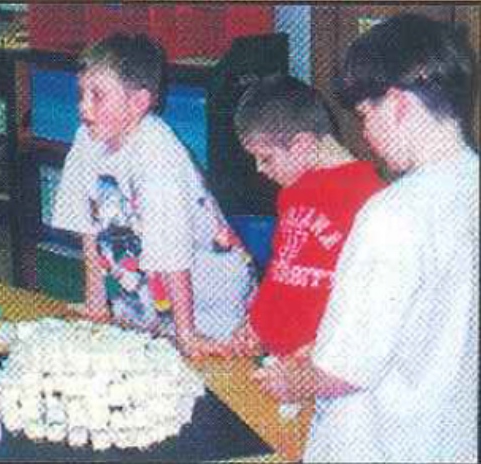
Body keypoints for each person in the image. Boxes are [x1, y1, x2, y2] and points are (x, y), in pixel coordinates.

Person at [253, 14, 478, 462]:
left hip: (379, 443)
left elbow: (345, 369)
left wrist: (291, 378)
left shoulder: (392, 215)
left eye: (364, 114)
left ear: (396, 103)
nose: (365, 133)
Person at [51, 33, 254, 356]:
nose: (82, 106)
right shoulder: (87, 140)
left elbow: (173, 250)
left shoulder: (159, 155)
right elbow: (88, 224)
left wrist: (187, 335)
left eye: (97, 95)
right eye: (81, 93)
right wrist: (96, 303)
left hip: (208, 295)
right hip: (152, 294)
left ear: (138, 103)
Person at [201, 74, 386, 360]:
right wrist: (254, 325)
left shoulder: (372, 200)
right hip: (275, 361)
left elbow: (369, 308)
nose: (260, 169)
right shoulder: (292, 192)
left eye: (266, 157)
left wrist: (313, 358)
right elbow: (282, 269)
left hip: (323, 368)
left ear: (301, 144)